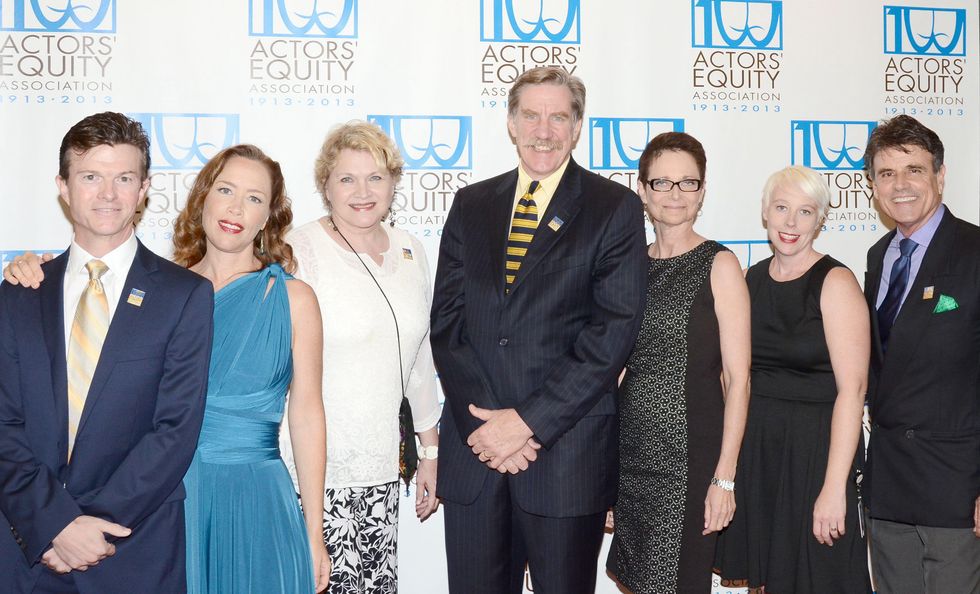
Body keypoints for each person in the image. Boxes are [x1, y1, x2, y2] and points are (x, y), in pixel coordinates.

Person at [4, 143, 331, 593]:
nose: (236, 208)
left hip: (251, 496)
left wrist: (314, 531)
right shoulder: (165, 289)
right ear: (203, 198)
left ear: (269, 215)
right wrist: (36, 270)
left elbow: (307, 413)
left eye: (255, 198)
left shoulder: (292, 299)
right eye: (226, 189)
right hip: (167, 499)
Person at [430, 66, 647, 594]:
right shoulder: (470, 203)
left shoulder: (613, 208)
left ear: (576, 128)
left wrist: (526, 423)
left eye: (558, 117)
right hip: (474, 449)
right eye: (531, 115)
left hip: (564, 455)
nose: (543, 130)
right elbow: (447, 322)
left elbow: (612, 333)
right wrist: (487, 427)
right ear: (511, 123)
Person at [0, 112, 213, 593]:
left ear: (143, 190)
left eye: (124, 178)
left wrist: (88, 528)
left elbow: (175, 431)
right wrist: (53, 524)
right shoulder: (19, 293)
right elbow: (4, 425)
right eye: (91, 177)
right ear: (63, 185)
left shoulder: (184, 296)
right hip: (26, 551)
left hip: (130, 549)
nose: (108, 194)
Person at [283, 121, 440, 593]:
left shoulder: (412, 249)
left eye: (375, 177)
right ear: (325, 186)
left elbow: (418, 361)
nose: (362, 191)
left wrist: (430, 452)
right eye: (347, 178)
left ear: (394, 183)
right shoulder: (297, 249)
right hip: (307, 476)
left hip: (378, 475)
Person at [713, 165, 872, 593]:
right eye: (781, 208)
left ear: (820, 220)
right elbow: (734, 375)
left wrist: (834, 487)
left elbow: (853, 391)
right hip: (760, 454)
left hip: (815, 454)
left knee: (819, 577)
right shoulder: (750, 280)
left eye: (804, 212)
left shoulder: (836, 282)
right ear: (765, 212)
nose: (790, 222)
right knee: (768, 580)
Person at [605, 131, 751, 594]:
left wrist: (724, 478)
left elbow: (739, 379)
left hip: (690, 458)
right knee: (636, 580)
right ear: (643, 190)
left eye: (687, 183)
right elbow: (614, 370)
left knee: (678, 582)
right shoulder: (627, 264)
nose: (674, 194)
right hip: (631, 454)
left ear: (702, 191)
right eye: (662, 182)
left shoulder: (719, 264)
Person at [861, 115, 980, 594]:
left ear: (940, 175)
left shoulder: (974, 251)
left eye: (914, 170)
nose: (901, 185)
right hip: (888, 484)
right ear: (872, 185)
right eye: (886, 174)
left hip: (955, 487)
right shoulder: (876, 257)